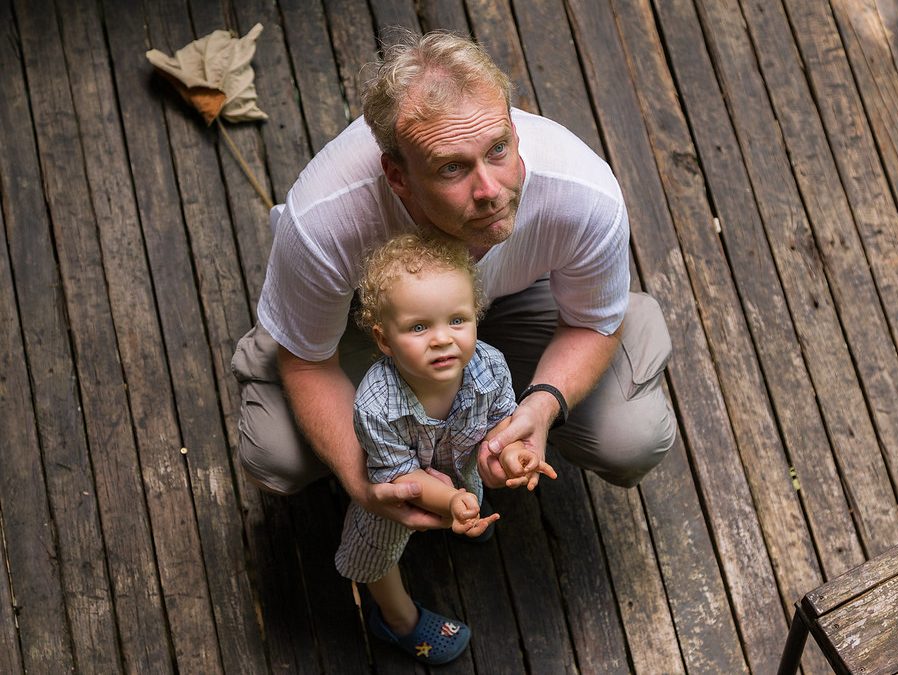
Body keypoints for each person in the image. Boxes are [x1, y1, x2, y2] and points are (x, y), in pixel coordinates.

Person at [230, 29, 676, 529]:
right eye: (451, 169)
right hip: (379, 320)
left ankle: (616, 310)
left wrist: (544, 403)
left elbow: (592, 325)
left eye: (499, 149)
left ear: (512, 129)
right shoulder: (323, 218)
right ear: (398, 178)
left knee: (631, 436)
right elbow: (310, 365)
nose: (490, 190)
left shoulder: (583, 193)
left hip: (516, 299)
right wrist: (369, 486)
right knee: (277, 454)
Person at [336, 233, 555, 664]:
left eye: (457, 320)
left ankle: (466, 507)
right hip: (397, 491)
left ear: (475, 317)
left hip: (460, 465)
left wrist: (512, 455)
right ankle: (396, 619)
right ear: (384, 340)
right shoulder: (376, 404)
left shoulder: (488, 364)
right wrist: (451, 500)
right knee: (378, 546)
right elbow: (401, 478)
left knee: (469, 492)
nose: (441, 339)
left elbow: (499, 427)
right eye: (419, 327)